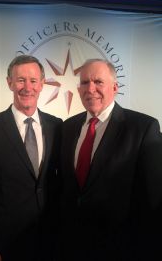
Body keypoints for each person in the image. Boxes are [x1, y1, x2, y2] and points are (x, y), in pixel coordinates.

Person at [57, 59, 162, 261]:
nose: (91, 89)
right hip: (71, 246)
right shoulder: (68, 127)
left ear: (115, 87)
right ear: (78, 90)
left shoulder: (143, 128)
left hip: (121, 248)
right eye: (85, 83)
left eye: (98, 81)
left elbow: (153, 201)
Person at [0, 55, 62, 261]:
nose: (27, 87)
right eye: (20, 80)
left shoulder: (57, 126)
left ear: (42, 84)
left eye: (33, 81)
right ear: (9, 83)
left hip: (50, 241)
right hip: (6, 244)